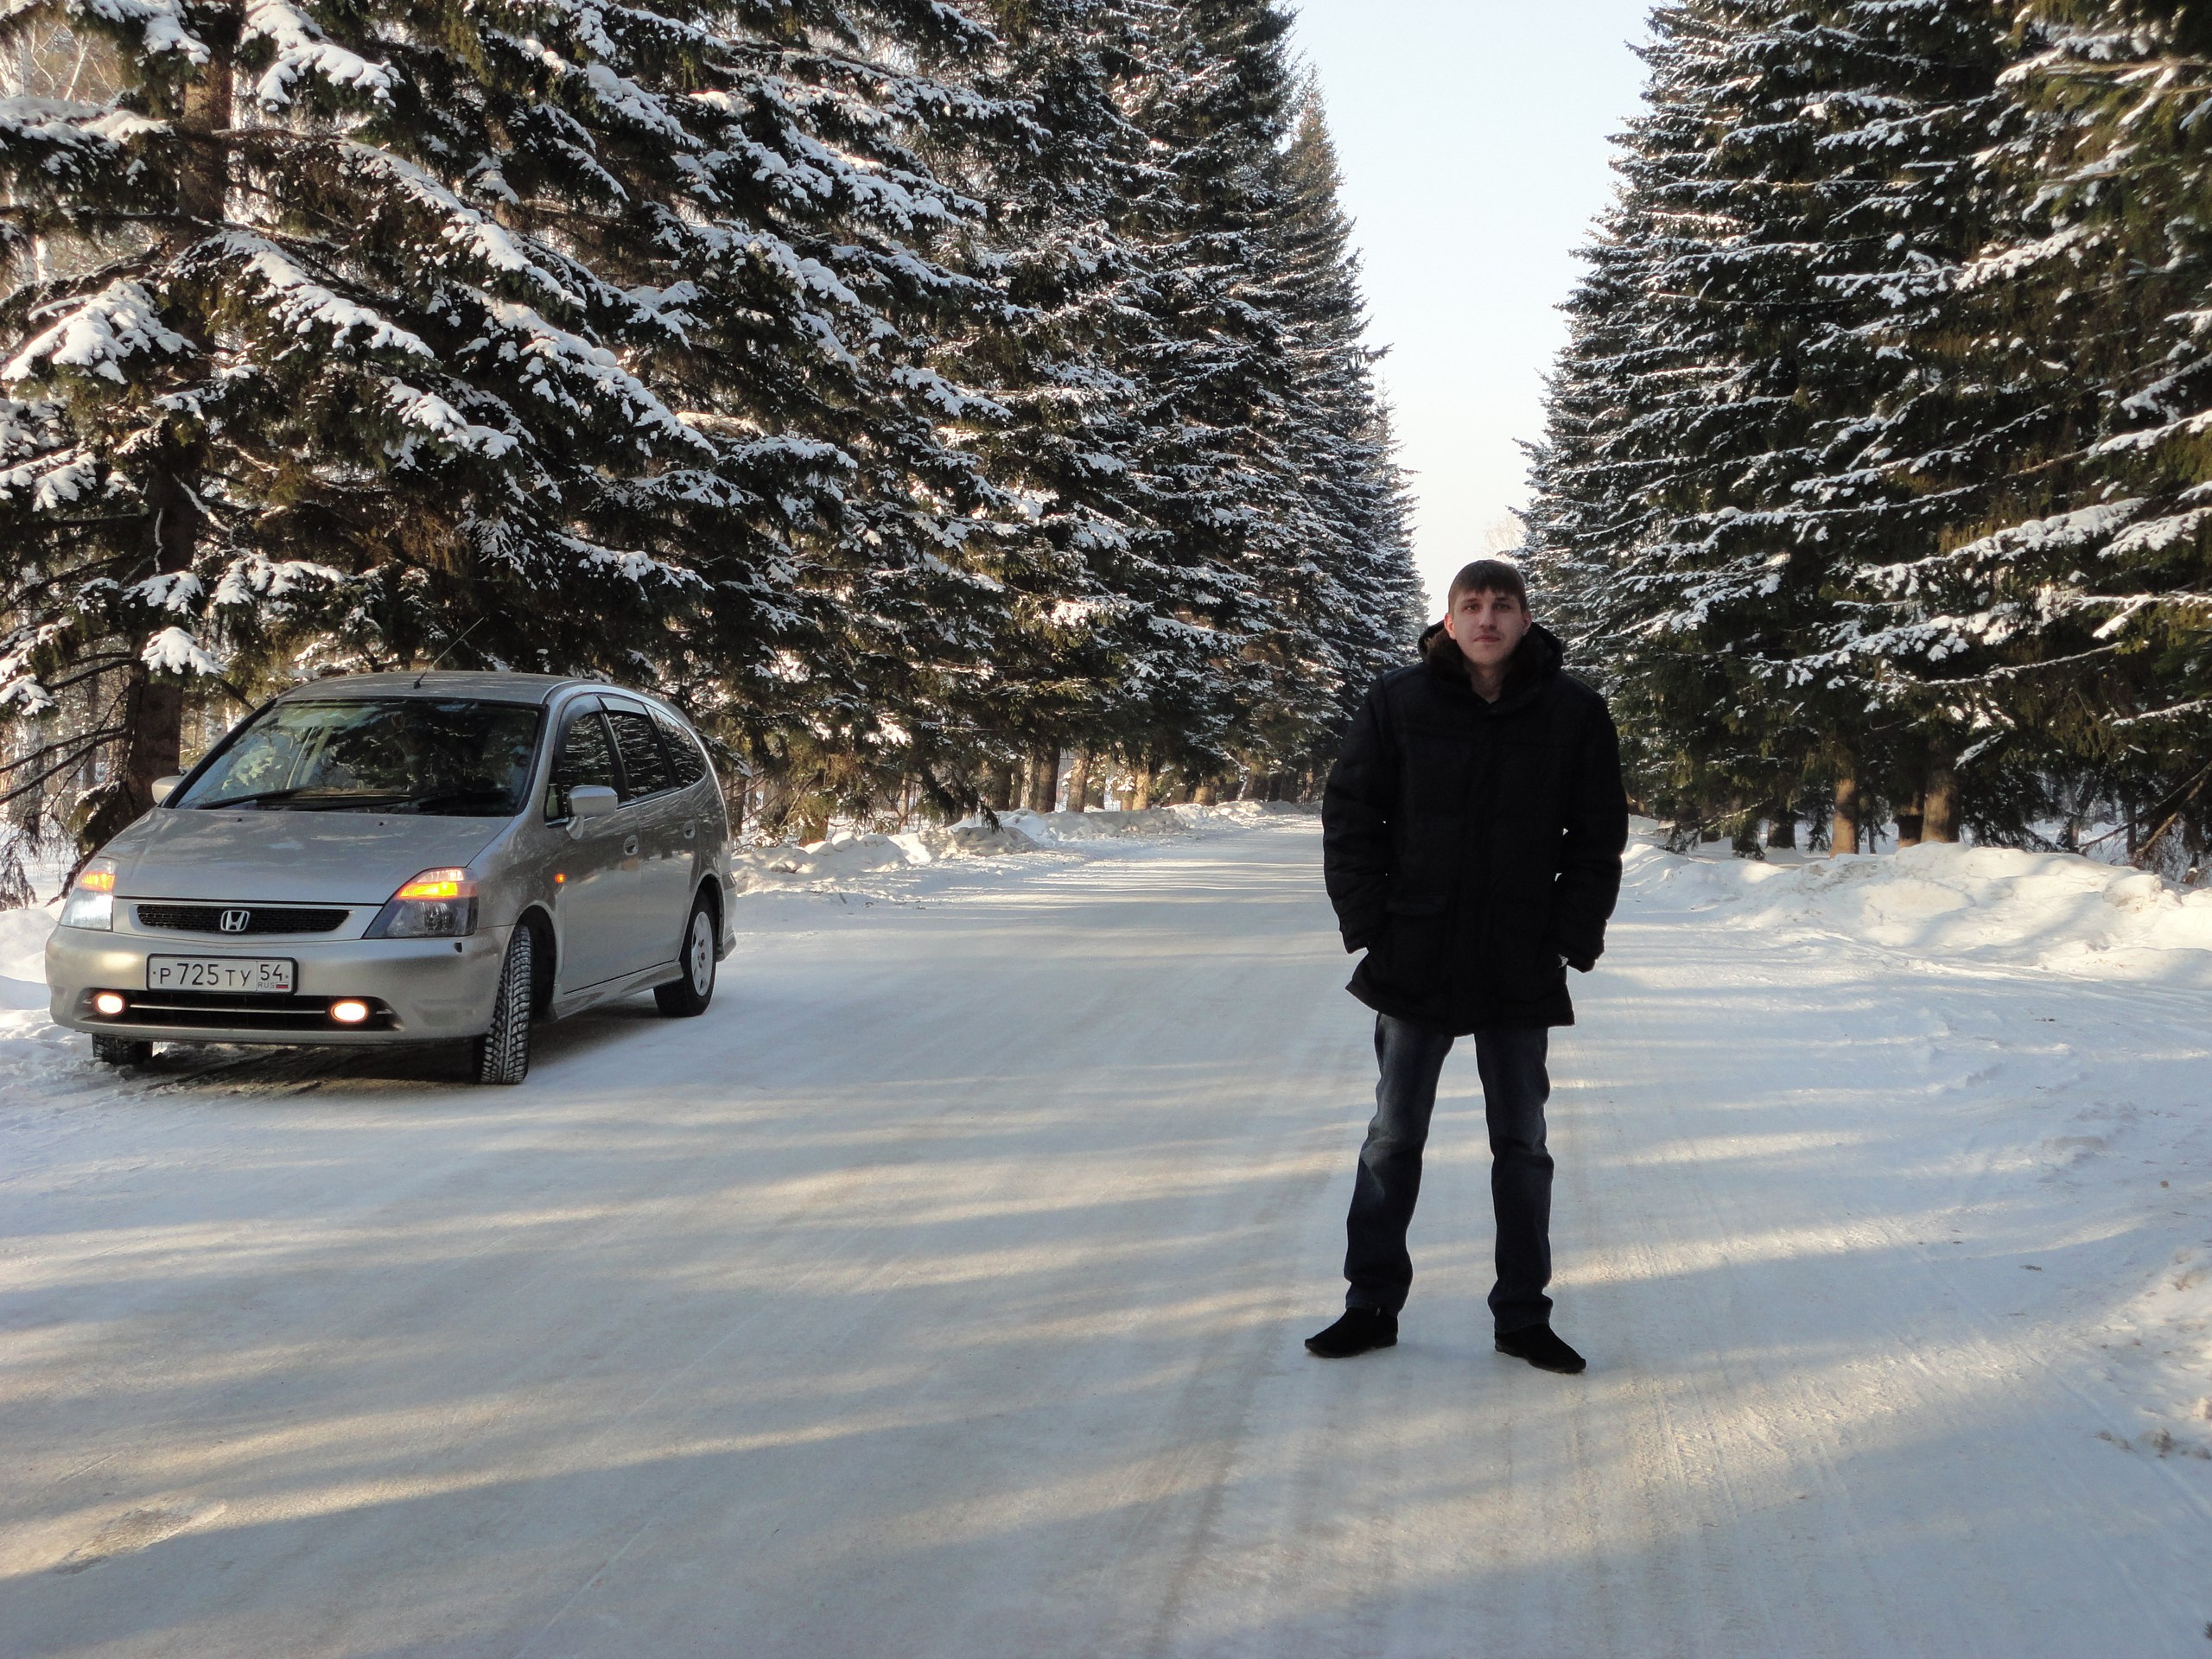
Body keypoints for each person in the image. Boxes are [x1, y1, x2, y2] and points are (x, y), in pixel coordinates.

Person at [1308, 558, 1628, 1375]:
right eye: (1473, 605)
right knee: (1392, 1138)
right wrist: (1371, 924)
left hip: (1519, 957)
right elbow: (1351, 815)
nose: (1488, 619)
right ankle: (1370, 1304)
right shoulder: (1398, 701)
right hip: (1416, 951)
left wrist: (1567, 936)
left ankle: (1523, 1315)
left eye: (1503, 605)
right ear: (1449, 620)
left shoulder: (1574, 711)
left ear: (1526, 619)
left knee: (1522, 1144)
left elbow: (1598, 836)